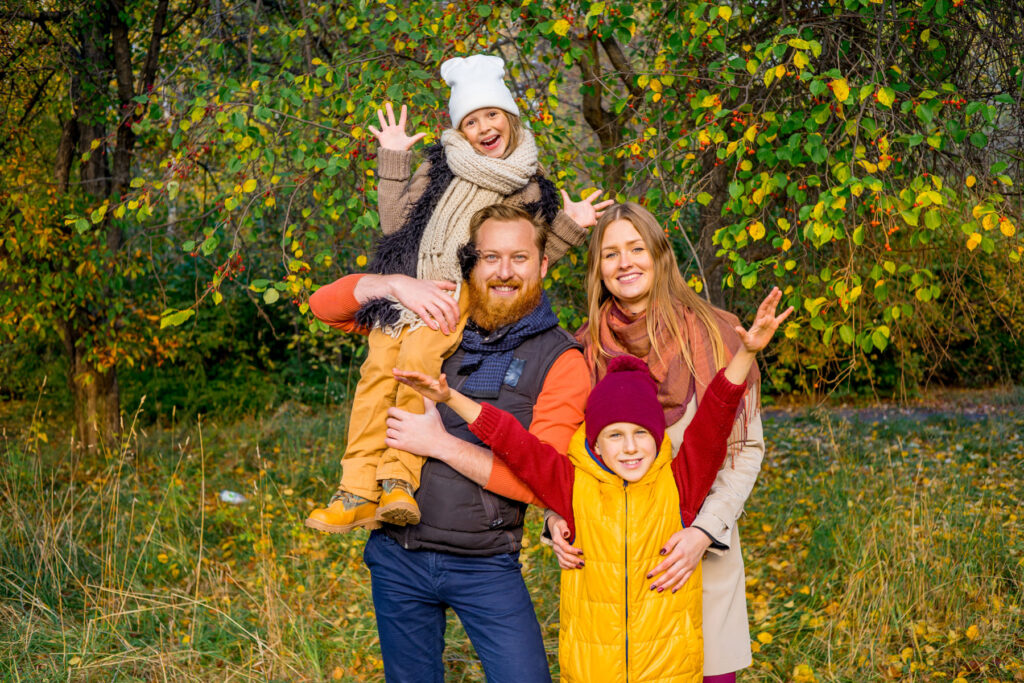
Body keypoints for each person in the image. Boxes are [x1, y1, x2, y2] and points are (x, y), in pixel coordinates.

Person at [392, 289, 791, 682]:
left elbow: (715, 419)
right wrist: (453, 399)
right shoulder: (572, 486)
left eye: (641, 433)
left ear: (658, 435)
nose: (631, 447)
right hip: (593, 670)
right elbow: (516, 443)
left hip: (669, 670)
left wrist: (747, 353)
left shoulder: (680, 485)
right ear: (595, 441)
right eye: (615, 435)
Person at [305, 53, 610, 533]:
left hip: (456, 296)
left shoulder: (528, 189)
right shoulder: (440, 168)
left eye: (491, 114)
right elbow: (395, 226)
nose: (484, 127)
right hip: (408, 294)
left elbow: (526, 257)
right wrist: (393, 160)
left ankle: (397, 480)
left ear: (508, 118)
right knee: (375, 376)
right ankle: (355, 489)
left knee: (414, 370)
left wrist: (571, 226)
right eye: (471, 120)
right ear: (460, 130)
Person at [309, 204, 590, 682]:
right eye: (490, 257)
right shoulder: (435, 321)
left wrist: (440, 445)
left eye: (519, 258)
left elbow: (545, 481)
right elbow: (324, 306)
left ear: (543, 265)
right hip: (397, 557)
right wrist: (393, 284)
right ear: (471, 263)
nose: (504, 271)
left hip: (485, 564)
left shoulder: (560, 358)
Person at [547, 202, 771, 681]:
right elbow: (565, 454)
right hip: (615, 566)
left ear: (660, 255)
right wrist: (555, 517)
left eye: (636, 248)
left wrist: (702, 533)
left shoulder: (718, 333)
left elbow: (744, 449)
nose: (625, 262)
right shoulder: (584, 350)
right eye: (610, 254)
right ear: (597, 269)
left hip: (693, 551)